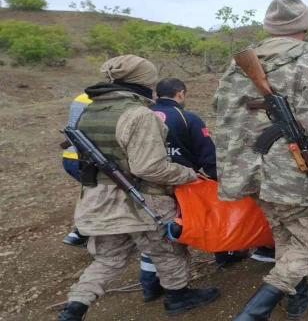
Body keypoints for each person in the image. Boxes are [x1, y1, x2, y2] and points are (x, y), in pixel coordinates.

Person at [214, 0, 308, 320]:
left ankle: (300, 296)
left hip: (252, 172)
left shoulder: (237, 67)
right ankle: (254, 312)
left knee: (286, 234)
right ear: (305, 26)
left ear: (269, 27)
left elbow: (224, 118)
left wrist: (233, 169)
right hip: (298, 178)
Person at [57, 55, 219, 321]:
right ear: (144, 82)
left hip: (99, 199)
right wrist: (187, 175)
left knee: (107, 260)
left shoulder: (90, 110)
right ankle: (178, 297)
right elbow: (149, 168)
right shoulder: (138, 114)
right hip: (143, 200)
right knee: (169, 251)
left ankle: (75, 307)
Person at [138, 78, 248, 300]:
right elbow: (208, 156)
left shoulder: (140, 118)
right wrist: (221, 181)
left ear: (156, 95)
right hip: (182, 186)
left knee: (155, 236)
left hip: (143, 188)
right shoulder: (187, 118)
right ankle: (225, 255)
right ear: (180, 93)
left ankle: (150, 285)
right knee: (200, 223)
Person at [250, 43, 308, 266]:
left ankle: (297, 294)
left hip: (266, 176)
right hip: (286, 181)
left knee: (283, 232)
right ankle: (279, 287)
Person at [61, 93, 92, 248]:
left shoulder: (83, 96)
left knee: (93, 193)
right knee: (107, 194)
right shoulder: (112, 99)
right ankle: (81, 233)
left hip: (70, 157)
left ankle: (80, 233)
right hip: (87, 158)